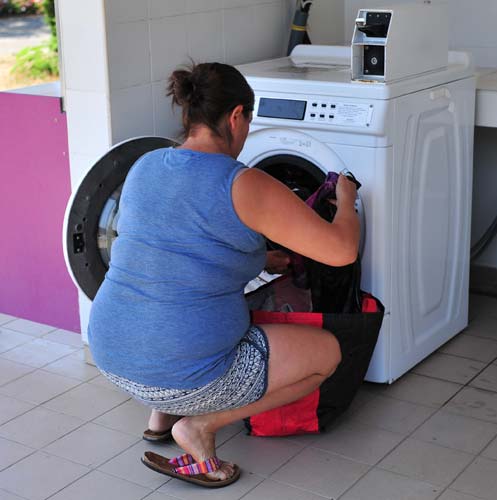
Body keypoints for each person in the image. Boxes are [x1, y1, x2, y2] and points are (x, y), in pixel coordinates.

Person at [87, 62, 360, 488]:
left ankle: (159, 418)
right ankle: (198, 426)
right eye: (249, 122)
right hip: (185, 371)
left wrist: (262, 260)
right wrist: (346, 199)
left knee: (171, 302)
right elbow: (341, 250)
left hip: (111, 352)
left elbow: (176, 249)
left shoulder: (146, 164)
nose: (247, 132)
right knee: (326, 353)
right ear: (236, 116)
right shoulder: (245, 183)